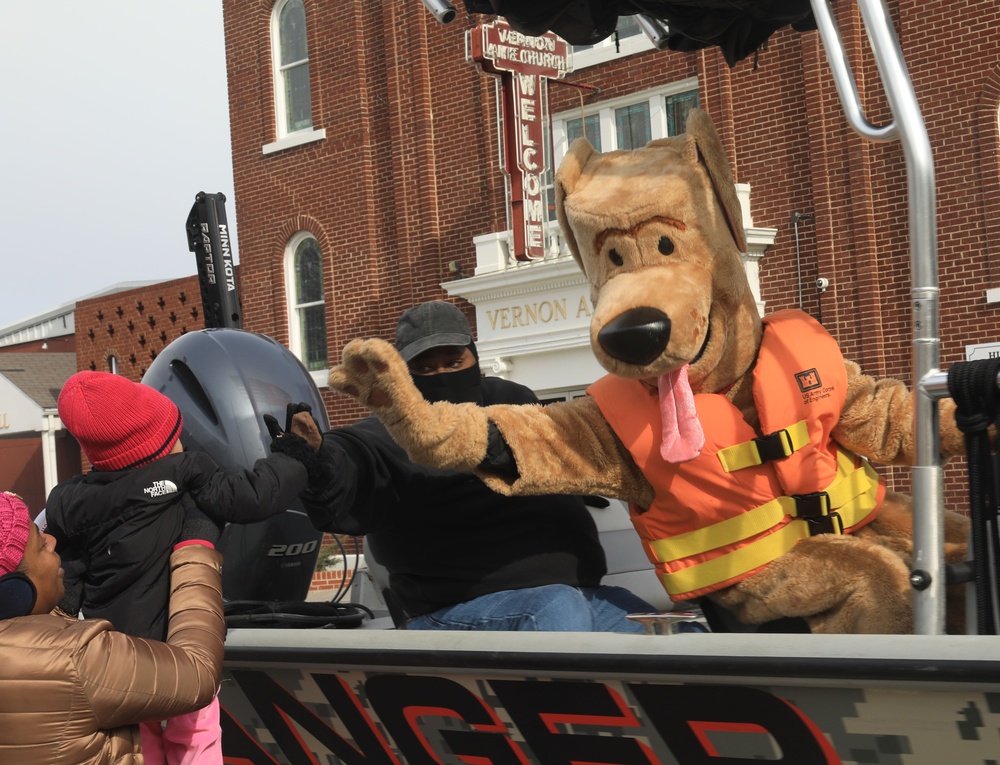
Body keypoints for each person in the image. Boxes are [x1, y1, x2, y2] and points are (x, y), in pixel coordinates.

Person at [295, 301, 655, 631]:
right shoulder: (381, 436)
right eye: (423, 367)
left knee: (676, 634)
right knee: (556, 610)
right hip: (451, 609)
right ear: (402, 376)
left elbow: (557, 450)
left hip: (578, 592)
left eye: (453, 362)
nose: (441, 375)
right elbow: (349, 463)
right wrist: (320, 463)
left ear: (475, 358)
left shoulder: (514, 401)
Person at [43, 371, 311, 765]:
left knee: (139, 740)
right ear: (159, 444)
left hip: (117, 658)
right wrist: (294, 458)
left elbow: (70, 578)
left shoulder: (71, 502)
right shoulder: (187, 471)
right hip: (177, 650)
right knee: (195, 734)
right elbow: (252, 495)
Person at [0, 490, 225, 763]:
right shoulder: (79, 657)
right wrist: (196, 551)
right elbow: (198, 673)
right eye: (40, 545)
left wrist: (59, 606)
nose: (52, 541)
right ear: (12, 592)